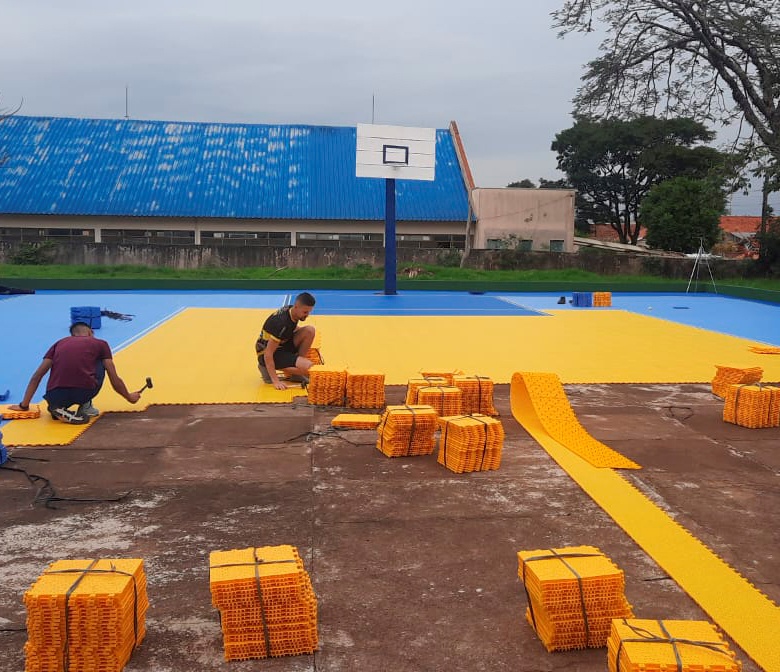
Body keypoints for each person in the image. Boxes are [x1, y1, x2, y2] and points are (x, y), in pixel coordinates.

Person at [9, 321, 141, 424]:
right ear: (91, 332)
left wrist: (24, 405)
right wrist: (129, 397)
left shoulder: (58, 344)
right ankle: (85, 406)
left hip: (54, 395)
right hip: (83, 392)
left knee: (64, 366)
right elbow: (114, 378)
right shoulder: (100, 343)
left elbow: (37, 376)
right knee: (100, 362)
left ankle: (57, 408)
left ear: (72, 335)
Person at [255, 292, 316, 390]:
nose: (307, 315)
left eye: (309, 312)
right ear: (296, 307)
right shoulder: (281, 323)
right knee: (309, 369)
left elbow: (291, 328)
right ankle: (265, 367)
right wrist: (276, 381)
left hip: (281, 344)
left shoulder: (292, 310)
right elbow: (268, 353)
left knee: (310, 331)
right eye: (305, 312)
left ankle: (296, 370)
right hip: (267, 352)